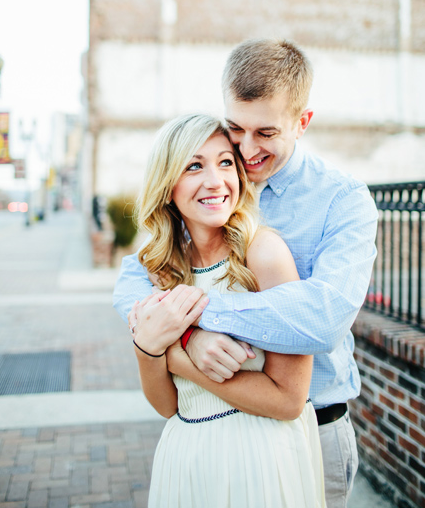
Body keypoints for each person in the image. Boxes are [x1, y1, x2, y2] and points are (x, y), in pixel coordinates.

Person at [115, 39, 378, 506]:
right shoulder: (206, 195)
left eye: (267, 132)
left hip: (308, 430)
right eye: (237, 128)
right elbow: (134, 280)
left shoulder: (342, 201)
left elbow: (322, 320)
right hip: (202, 438)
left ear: (303, 123)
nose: (247, 150)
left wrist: (185, 323)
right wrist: (184, 338)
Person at [129, 113, 325, 506]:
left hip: (258, 457)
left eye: (225, 163)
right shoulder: (162, 268)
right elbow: (166, 404)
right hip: (186, 455)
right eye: (194, 166)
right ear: (168, 186)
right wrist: (147, 350)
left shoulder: (263, 254)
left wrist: (176, 355)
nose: (215, 181)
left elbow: (289, 400)